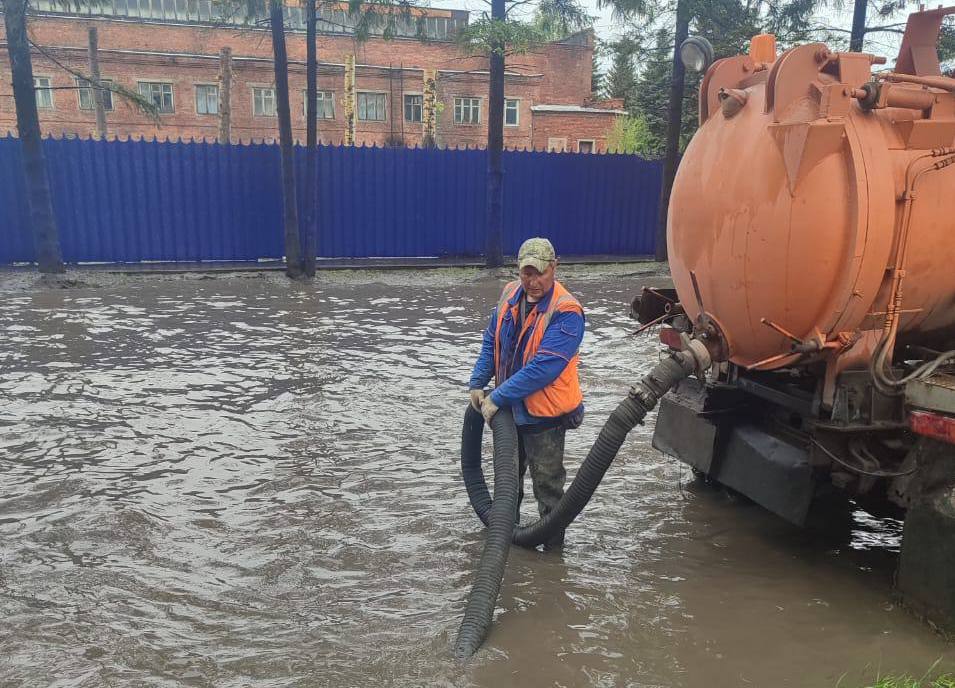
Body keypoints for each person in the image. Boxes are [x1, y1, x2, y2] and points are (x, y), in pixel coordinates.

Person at [468, 237, 585, 550]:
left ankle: (553, 557)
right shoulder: (509, 293)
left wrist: (496, 397)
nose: (533, 282)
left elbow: (543, 368)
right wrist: (478, 382)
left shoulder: (567, 312)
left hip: (544, 418)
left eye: (540, 273)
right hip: (508, 413)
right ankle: (507, 544)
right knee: (508, 486)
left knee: (548, 489)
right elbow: (492, 340)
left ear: (554, 267)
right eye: (526, 274)